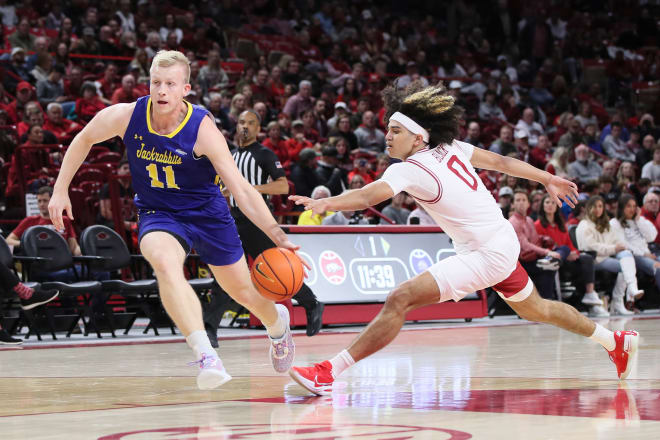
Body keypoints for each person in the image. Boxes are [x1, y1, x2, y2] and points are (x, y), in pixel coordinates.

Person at [288, 83, 638, 396]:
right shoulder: (451, 147)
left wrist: (326, 202)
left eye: (395, 131)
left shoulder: (407, 169)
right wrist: (546, 177)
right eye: (387, 130)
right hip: (499, 240)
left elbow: (367, 196)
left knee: (400, 298)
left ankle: (329, 371)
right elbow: (501, 161)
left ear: (418, 137)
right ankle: (615, 341)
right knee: (539, 309)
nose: (388, 137)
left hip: (487, 253)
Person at [48, 50, 301, 391]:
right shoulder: (127, 115)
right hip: (159, 212)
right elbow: (84, 139)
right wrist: (60, 189)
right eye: (156, 82)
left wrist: (275, 232)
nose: (162, 90)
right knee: (164, 263)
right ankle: (205, 353)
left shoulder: (202, 129)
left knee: (243, 291)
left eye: (170, 84)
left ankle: (277, 325)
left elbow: (240, 188)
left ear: (186, 88)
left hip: (207, 213)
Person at [205, 109, 324, 339]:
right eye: (241, 122)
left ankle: (311, 304)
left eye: (250, 122)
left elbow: (282, 187)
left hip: (258, 221)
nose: (245, 126)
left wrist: (249, 190)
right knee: (227, 271)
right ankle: (209, 327)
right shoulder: (229, 155)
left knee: (277, 270)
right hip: (233, 219)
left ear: (259, 129)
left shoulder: (265, 154)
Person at [534, 194, 606, 316]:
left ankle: (590, 295)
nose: (550, 205)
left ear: (557, 206)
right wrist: (566, 252)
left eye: (553, 203)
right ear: (542, 206)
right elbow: (540, 246)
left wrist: (574, 253)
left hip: (567, 259)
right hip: (551, 260)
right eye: (547, 202)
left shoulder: (562, 225)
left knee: (587, 259)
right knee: (565, 250)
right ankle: (590, 303)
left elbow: (570, 245)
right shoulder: (537, 225)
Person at [576, 196, 642, 316]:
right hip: (593, 259)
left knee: (627, 256)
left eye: (600, 206)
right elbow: (591, 247)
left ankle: (626, 294)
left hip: (607, 256)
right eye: (594, 206)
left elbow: (615, 241)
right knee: (625, 267)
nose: (597, 209)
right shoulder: (584, 224)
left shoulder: (605, 223)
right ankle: (621, 299)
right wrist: (614, 248)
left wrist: (621, 246)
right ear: (588, 208)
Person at [610, 194, 660, 299]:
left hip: (646, 254)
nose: (632, 209)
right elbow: (623, 245)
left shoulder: (639, 220)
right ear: (622, 207)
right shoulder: (614, 223)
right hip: (631, 256)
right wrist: (644, 254)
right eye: (628, 206)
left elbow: (651, 236)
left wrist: (638, 220)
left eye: (634, 206)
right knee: (658, 268)